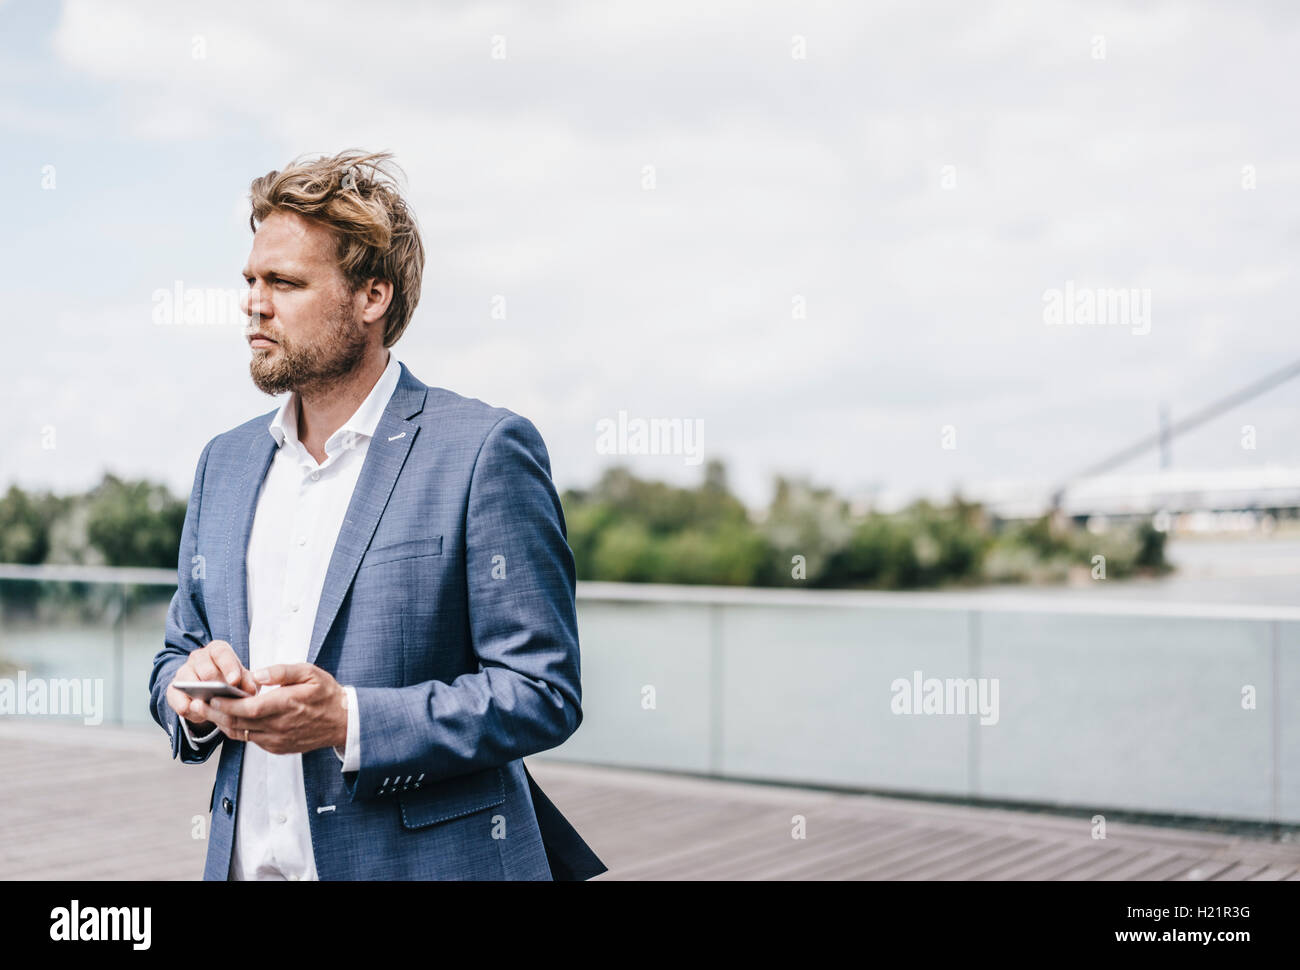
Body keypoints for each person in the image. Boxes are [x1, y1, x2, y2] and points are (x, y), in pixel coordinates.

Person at [147, 150, 605, 881]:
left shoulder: (484, 450)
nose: (254, 303)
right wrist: (190, 694)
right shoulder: (223, 465)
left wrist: (347, 720)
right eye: (251, 281)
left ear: (372, 297)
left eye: (285, 283)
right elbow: (175, 656)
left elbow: (542, 692)